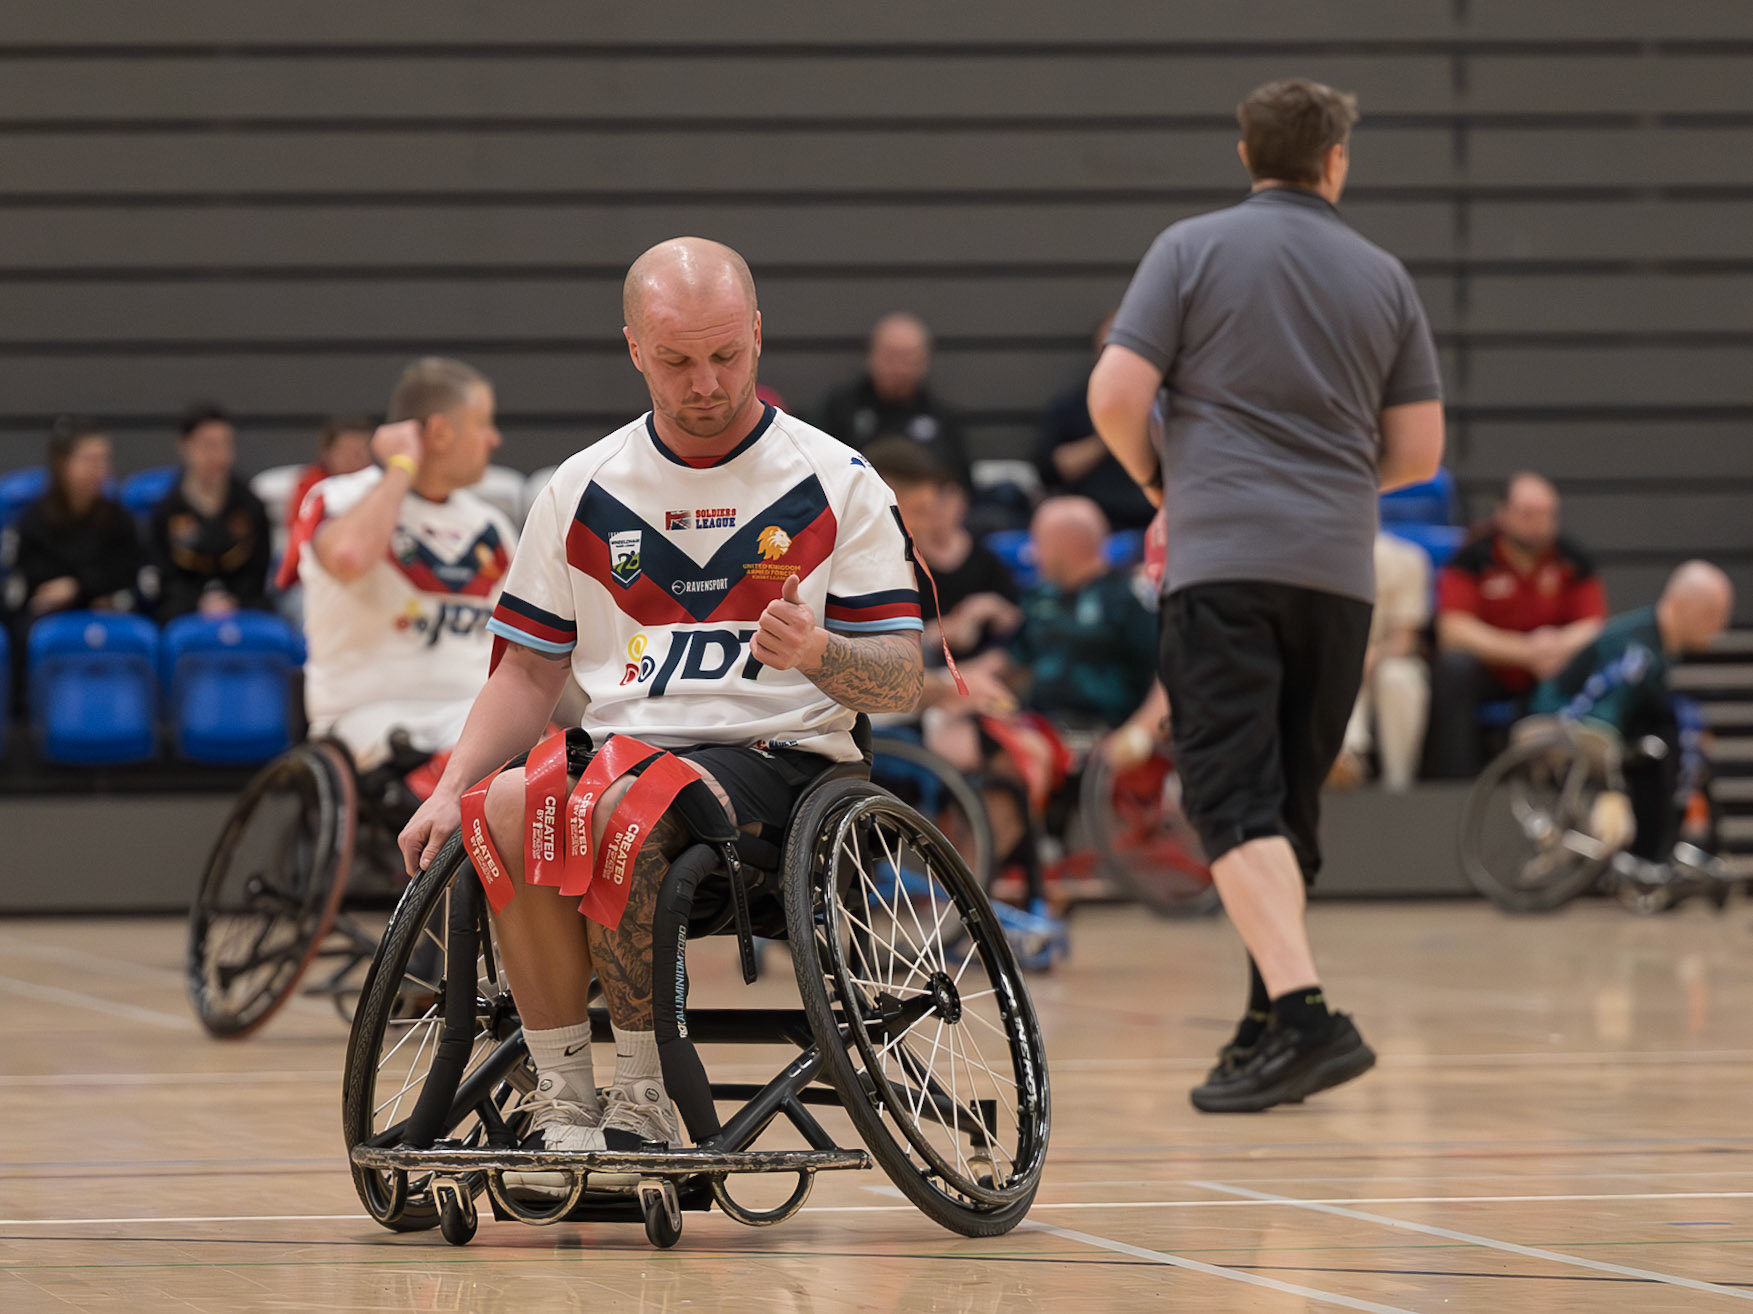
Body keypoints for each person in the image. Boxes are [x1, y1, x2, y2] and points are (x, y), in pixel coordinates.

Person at [395, 238, 924, 1195]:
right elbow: (523, 673)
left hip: (781, 764)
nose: (706, 383)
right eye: (677, 361)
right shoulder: (579, 489)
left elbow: (900, 681)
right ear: (634, 349)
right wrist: (449, 787)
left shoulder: (837, 479)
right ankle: (564, 1103)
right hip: (616, 758)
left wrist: (819, 654)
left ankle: (638, 1095)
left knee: (615, 805)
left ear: (758, 336)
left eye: (726, 355)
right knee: (505, 809)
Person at [1088, 77, 1445, 1113]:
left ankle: (1304, 1015)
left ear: (1246, 155)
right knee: (1284, 806)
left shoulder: (1191, 249)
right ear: (1336, 162)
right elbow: (1418, 452)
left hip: (1224, 562)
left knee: (1228, 801)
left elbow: (1116, 395)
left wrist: (1165, 480)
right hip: (1337, 575)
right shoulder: (1383, 276)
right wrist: (1325, 484)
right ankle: (1263, 1034)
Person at [278, 358, 518, 771]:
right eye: (483, 423)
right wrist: (402, 467)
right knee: (496, 764)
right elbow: (350, 557)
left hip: (472, 721)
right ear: (440, 432)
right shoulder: (337, 497)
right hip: (371, 722)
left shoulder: (491, 526)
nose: (494, 439)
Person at [1528, 560, 1734, 872]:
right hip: (1562, 719)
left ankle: (1674, 846)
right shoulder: (1639, 653)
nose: (1720, 628)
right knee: (1663, 736)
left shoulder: (1658, 646)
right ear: (1683, 606)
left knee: (1676, 721)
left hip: (1613, 722)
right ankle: (1651, 853)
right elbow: (1599, 713)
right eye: (1713, 615)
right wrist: (1612, 789)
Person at [1427, 472, 1608, 777]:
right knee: (1453, 668)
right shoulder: (1471, 557)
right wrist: (1525, 651)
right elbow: (1453, 630)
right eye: (1527, 514)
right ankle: (1453, 781)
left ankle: (1574, 779)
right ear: (1502, 513)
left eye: (1546, 515)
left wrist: (1557, 645)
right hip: (1491, 670)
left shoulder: (1573, 560)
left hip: (1551, 667)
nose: (1538, 524)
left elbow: (1594, 626)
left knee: (1595, 666)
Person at [5, 418, 142, 697]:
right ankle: (27, 717)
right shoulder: (35, 519)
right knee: (20, 631)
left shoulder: (118, 518)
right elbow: (35, 578)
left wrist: (77, 586)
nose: (98, 470)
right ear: (62, 463)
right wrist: (82, 589)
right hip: (50, 614)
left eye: (103, 460)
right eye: (88, 460)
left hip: (109, 607)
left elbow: (126, 571)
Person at [864, 435, 1020, 661]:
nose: (923, 523)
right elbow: (880, 666)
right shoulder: (869, 564)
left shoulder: (984, 558)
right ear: (883, 495)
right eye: (918, 510)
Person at [815, 312, 972, 486]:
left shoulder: (942, 419)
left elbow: (961, 487)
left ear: (925, 361)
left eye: (909, 358)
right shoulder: (838, 410)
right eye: (891, 356)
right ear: (871, 356)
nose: (899, 368)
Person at [148, 404, 272, 622]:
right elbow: (163, 573)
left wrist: (232, 601)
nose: (218, 454)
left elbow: (258, 571)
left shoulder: (250, 505)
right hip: (183, 607)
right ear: (185, 446)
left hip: (243, 603)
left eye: (225, 444)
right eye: (208, 445)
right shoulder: (167, 509)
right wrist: (198, 601)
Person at [1035, 312, 1156, 531]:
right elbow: (1051, 469)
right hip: (1095, 522)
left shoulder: (1165, 402)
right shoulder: (1071, 406)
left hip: (1153, 517)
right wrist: (1108, 432)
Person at [1331, 532, 1431, 792]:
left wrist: (1372, 656)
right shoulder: (1306, 558)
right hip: (1331, 657)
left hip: (1385, 655)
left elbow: (1404, 639)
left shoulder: (1405, 558)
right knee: (1336, 671)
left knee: (1398, 677)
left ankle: (1398, 783)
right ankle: (1346, 759)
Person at [285, 415, 374, 534]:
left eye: (362, 450)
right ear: (326, 453)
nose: (355, 458)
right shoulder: (313, 487)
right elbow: (300, 531)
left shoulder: (382, 484)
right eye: (346, 450)